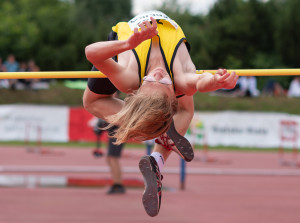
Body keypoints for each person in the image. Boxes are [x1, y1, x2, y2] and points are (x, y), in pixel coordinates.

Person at [83, 10, 238, 217]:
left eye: (149, 81)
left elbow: (91, 52)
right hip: (161, 58)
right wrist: (217, 81)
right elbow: (200, 82)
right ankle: (157, 154)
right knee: (186, 111)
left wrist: (129, 43)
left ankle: (150, 128)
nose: (158, 75)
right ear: (174, 94)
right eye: (164, 82)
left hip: (124, 43)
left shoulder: (130, 79)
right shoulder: (179, 82)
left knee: (91, 102)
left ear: (139, 89)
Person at [93, 118, 126, 194]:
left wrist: (103, 124)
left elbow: (116, 119)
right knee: (110, 158)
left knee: (113, 158)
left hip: (117, 132)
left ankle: (118, 185)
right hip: (115, 132)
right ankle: (117, 182)